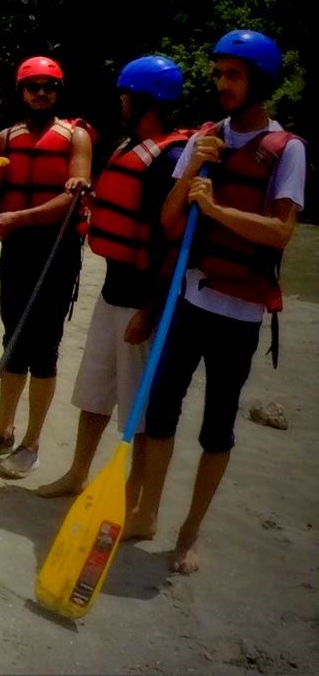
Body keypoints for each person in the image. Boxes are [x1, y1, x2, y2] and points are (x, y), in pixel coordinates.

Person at [139, 30, 302, 575]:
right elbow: (167, 222)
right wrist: (189, 174)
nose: (223, 84)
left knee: (216, 426)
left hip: (240, 312)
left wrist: (216, 212)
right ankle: (148, 513)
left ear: (259, 81)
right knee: (160, 412)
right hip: (190, 299)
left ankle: (189, 533)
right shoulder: (205, 138)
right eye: (219, 74)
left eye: (234, 75)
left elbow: (281, 233)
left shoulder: (287, 149)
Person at [35, 56, 188, 503]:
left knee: (137, 408)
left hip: (142, 300)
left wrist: (151, 311)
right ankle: (78, 472)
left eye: (126, 94)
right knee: (95, 392)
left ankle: (131, 493)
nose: (120, 101)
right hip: (112, 290)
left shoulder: (171, 158)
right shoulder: (128, 147)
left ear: (145, 100)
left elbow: (172, 245)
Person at [0, 56, 95, 477]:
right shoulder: (7, 136)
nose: (41, 93)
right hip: (18, 250)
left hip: (56, 252)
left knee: (44, 348)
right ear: (22, 92)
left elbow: (74, 195)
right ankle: (3, 431)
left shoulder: (76, 136)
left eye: (48, 86)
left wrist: (17, 219)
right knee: (14, 339)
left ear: (58, 91)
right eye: (33, 86)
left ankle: (32, 442)